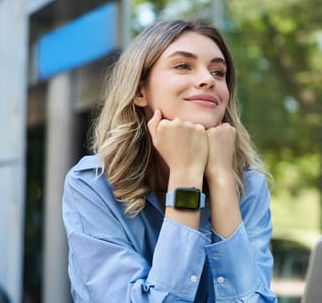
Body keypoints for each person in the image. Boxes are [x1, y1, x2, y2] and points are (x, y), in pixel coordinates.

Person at [62, 18, 277, 302]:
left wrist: (223, 180)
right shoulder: (93, 185)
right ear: (140, 91)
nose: (207, 79)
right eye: (183, 66)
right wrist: (186, 174)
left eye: (218, 72)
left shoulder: (249, 186)